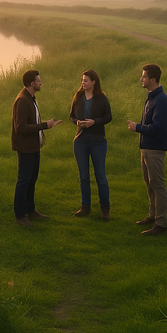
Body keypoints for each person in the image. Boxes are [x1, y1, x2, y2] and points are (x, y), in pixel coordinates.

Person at [11, 68, 62, 228]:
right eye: (39, 81)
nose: (41, 83)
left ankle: (30, 210)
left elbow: (31, 123)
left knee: (32, 180)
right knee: (24, 181)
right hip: (25, 148)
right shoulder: (22, 100)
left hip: (33, 147)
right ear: (32, 83)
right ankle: (20, 215)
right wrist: (44, 126)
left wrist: (44, 125)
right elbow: (21, 127)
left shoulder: (30, 98)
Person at [126, 63, 167, 236]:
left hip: (155, 149)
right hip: (146, 148)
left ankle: (161, 224)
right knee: (149, 183)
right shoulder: (151, 96)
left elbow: (158, 127)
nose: (141, 79)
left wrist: (137, 127)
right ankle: (152, 216)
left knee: (158, 185)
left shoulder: (162, 99)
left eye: (143, 77)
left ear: (153, 80)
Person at [69, 69, 112, 220]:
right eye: (82, 80)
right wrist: (77, 122)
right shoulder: (78, 96)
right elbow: (71, 116)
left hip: (98, 141)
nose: (83, 83)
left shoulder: (101, 98)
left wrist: (94, 122)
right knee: (84, 176)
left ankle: (105, 208)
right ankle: (85, 206)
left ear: (93, 82)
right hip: (80, 140)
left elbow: (108, 117)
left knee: (100, 176)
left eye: (86, 80)